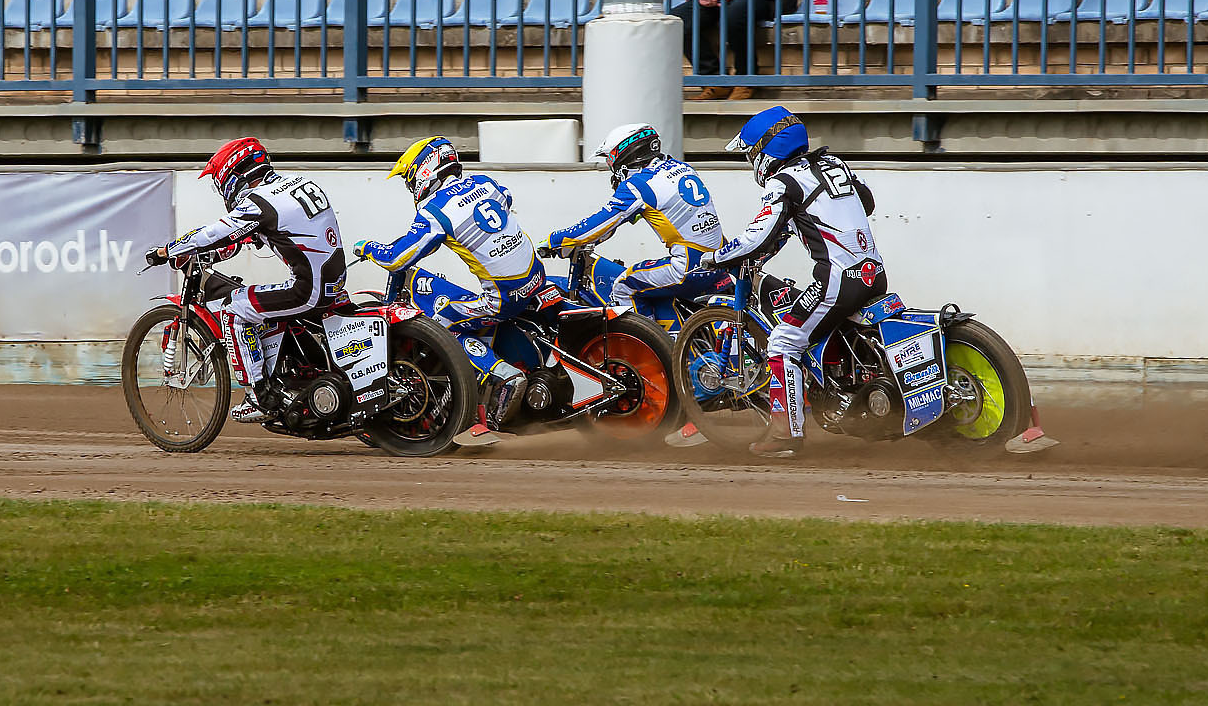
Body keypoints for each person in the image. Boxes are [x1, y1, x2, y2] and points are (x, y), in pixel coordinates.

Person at [708, 105, 887, 457]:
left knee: (783, 342)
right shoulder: (834, 164)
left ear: (767, 150)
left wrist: (718, 256)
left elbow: (757, 236)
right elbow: (866, 202)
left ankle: (785, 435)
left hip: (835, 282)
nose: (752, 162)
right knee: (826, 330)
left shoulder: (784, 182)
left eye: (752, 153)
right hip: (874, 273)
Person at [357, 133, 548, 448]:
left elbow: (397, 258)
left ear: (425, 170)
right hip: (536, 278)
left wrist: (367, 247)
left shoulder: (435, 209)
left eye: (409, 179)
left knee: (441, 324)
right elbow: (506, 198)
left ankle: (504, 378)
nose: (411, 187)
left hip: (503, 298)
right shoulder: (486, 183)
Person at [147, 138, 348, 424]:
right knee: (262, 304)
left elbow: (215, 233)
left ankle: (259, 395)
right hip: (334, 283)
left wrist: (168, 250)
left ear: (234, 175)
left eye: (222, 183)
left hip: (307, 290)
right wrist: (213, 254)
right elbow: (241, 238)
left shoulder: (258, 202)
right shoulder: (297, 184)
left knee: (233, 309)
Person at [543, 122, 730, 341]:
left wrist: (555, 240)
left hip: (689, 267)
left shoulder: (638, 185)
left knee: (623, 284)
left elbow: (597, 224)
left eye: (610, 159)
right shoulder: (681, 168)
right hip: (719, 258)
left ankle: (653, 350)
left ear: (625, 154)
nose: (610, 166)